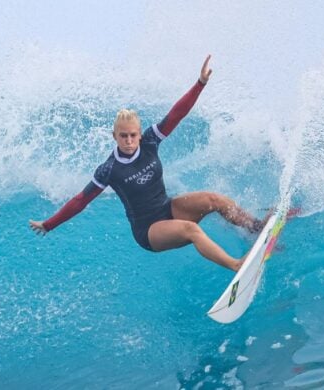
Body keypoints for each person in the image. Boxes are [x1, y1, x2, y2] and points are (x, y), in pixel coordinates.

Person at [29, 55, 269, 272]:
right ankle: (236, 266)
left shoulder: (150, 142)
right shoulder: (109, 169)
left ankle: (256, 227)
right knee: (192, 230)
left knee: (214, 200)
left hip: (168, 208)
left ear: (139, 134)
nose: (129, 140)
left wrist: (200, 83)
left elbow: (177, 113)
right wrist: (49, 225)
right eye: (123, 136)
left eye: (133, 135)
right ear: (115, 136)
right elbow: (80, 201)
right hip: (149, 230)